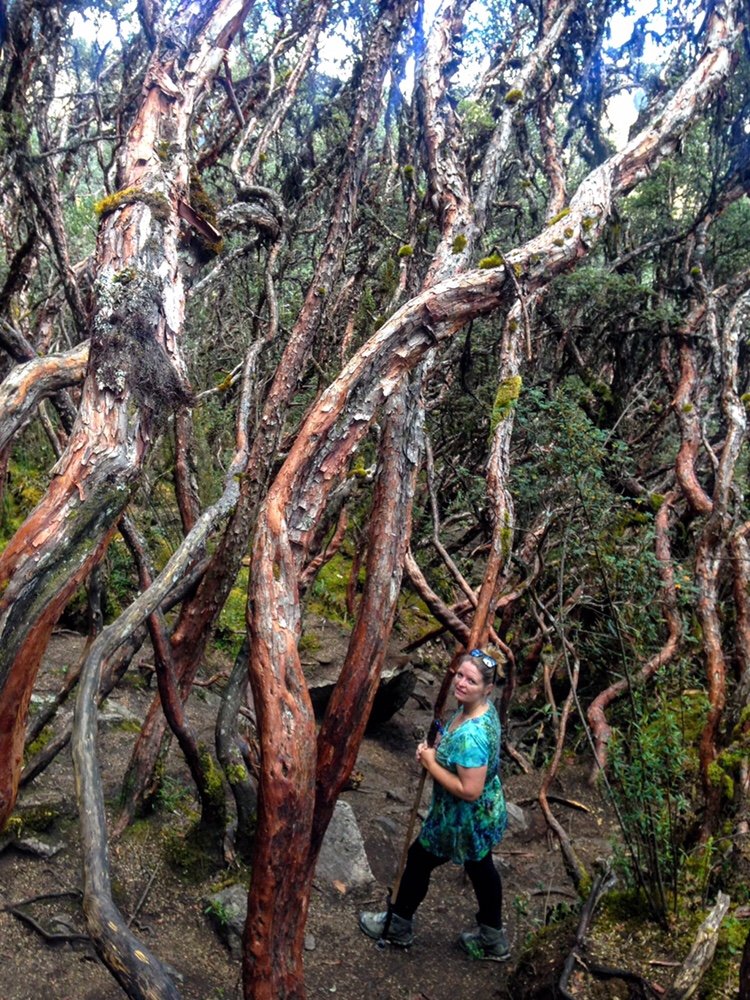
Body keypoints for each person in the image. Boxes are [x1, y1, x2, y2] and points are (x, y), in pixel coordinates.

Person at [359, 648, 509, 962]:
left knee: (420, 859)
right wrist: (438, 751)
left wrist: (431, 762)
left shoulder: (474, 735)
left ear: (488, 689)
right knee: (481, 867)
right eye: (460, 675)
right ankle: (492, 937)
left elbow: (469, 790)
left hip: (462, 819)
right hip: (478, 813)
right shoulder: (477, 709)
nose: (462, 683)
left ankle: (398, 926)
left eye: (472, 680)